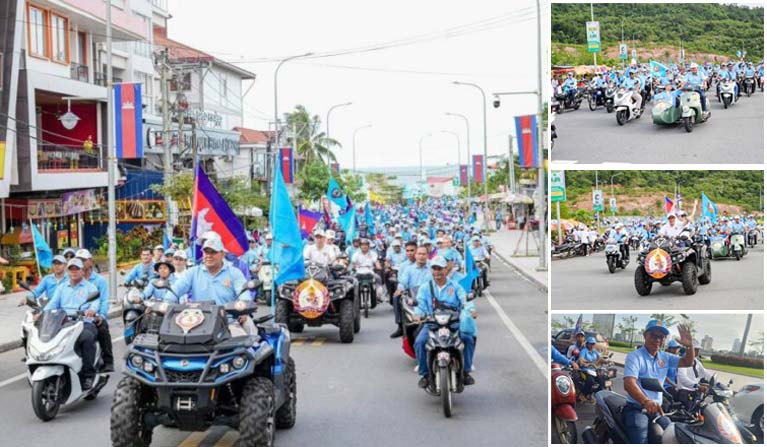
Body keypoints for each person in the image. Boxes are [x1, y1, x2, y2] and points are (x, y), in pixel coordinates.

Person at [622, 320, 695, 444]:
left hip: (657, 410)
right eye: (653, 335)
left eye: (661, 337)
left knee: (673, 435)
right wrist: (646, 401)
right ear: (645, 335)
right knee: (641, 437)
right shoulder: (635, 356)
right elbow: (629, 383)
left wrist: (689, 346)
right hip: (637, 408)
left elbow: (688, 362)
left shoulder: (665, 357)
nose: (657, 340)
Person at [170, 237, 255, 337]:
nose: (209, 256)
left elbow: (243, 293)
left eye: (213, 252)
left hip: (227, 323)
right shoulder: (193, 272)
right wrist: (166, 302)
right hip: (196, 323)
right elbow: (175, 290)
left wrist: (243, 309)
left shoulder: (234, 273)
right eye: (206, 252)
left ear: (222, 254)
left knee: (243, 345)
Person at [412, 256, 476, 387]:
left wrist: (471, 310)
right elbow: (420, 304)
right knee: (419, 342)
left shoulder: (456, 286)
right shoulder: (425, 287)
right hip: (432, 323)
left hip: (453, 323)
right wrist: (417, 314)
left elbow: (465, 300)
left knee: (468, 338)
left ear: (446, 270)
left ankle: (466, 372)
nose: (437, 272)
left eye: (440, 268)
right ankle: (425, 374)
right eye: (434, 268)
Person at [43, 258, 100, 390]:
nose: (74, 272)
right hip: (64, 322)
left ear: (82, 271)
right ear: (68, 271)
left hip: (83, 322)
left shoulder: (90, 287)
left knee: (87, 338)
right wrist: (42, 313)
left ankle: (88, 375)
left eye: (77, 269)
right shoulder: (62, 287)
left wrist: (91, 310)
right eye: (71, 269)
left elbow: (95, 303)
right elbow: (53, 303)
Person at [76, 249, 114, 373]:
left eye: (83, 260)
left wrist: (101, 315)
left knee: (102, 328)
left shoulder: (99, 281)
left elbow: (103, 301)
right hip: (77, 314)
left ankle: (108, 361)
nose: (81, 263)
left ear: (90, 262)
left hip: (94, 314)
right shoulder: (73, 279)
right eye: (78, 260)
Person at [390, 245, 431, 338]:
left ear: (427, 255)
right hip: (413, 296)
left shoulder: (432, 268)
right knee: (396, 297)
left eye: (424, 254)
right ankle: (400, 325)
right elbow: (403, 282)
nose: (421, 256)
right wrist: (400, 288)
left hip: (429, 296)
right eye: (419, 254)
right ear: (416, 255)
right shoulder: (408, 269)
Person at [676, 341, 715, 412]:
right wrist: (697, 386)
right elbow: (683, 379)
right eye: (696, 349)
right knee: (686, 414)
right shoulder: (683, 361)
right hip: (685, 392)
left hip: (695, 391)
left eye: (698, 350)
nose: (698, 352)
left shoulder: (697, 362)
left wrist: (716, 382)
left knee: (697, 411)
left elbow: (705, 373)